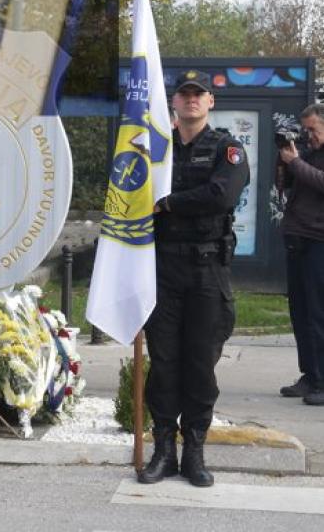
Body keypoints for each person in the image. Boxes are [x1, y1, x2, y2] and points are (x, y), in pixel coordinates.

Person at [138, 70, 249, 488]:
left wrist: (167, 204)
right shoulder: (156, 149)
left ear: (210, 102)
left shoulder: (227, 148)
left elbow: (221, 195)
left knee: (200, 365)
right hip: (163, 269)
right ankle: (164, 451)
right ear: (174, 102)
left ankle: (194, 453)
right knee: (164, 364)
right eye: (184, 94)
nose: (191, 100)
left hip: (207, 271)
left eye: (198, 94)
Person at [277, 103, 324, 406]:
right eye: (305, 130)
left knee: (319, 313)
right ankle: (309, 374)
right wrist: (284, 163)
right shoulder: (307, 153)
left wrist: (295, 163)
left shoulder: (306, 159)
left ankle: (322, 379)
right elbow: (287, 186)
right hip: (298, 238)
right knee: (301, 312)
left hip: (319, 242)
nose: (308, 136)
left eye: (313, 130)